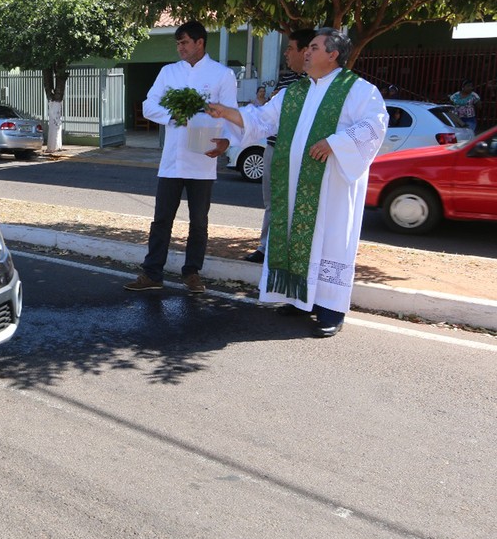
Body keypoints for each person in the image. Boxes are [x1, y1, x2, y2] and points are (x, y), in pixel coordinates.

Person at [206, 28, 388, 337]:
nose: (306, 52)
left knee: (329, 240)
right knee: (294, 234)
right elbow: (262, 120)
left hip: (331, 188)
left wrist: (335, 142)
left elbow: (376, 125)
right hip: (293, 185)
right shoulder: (295, 92)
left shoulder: (358, 90)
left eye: (314, 48)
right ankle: (298, 297)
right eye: (307, 48)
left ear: (333, 54)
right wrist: (228, 113)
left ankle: (330, 308)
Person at [124, 20, 238, 294]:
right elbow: (149, 105)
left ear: (200, 42)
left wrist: (227, 143)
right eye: (177, 43)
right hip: (173, 159)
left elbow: (232, 113)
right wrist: (171, 115)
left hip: (203, 157)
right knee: (162, 219)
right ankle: (152, 273)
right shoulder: (168, 72)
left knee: (198, 221)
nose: (180, 48)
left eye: (184, 42)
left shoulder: (222, 74)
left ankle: (192, 273)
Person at [243, 29, 316, 264]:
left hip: (298, 152)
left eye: (289, 48)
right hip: (274, 148)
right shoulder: (286, 79)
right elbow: (270, 115)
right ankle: (266, 248)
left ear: (306, 51)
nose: (285, 53)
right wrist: (265, 104)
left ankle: (291, 251)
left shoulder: (316, 85)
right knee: (271, 201)